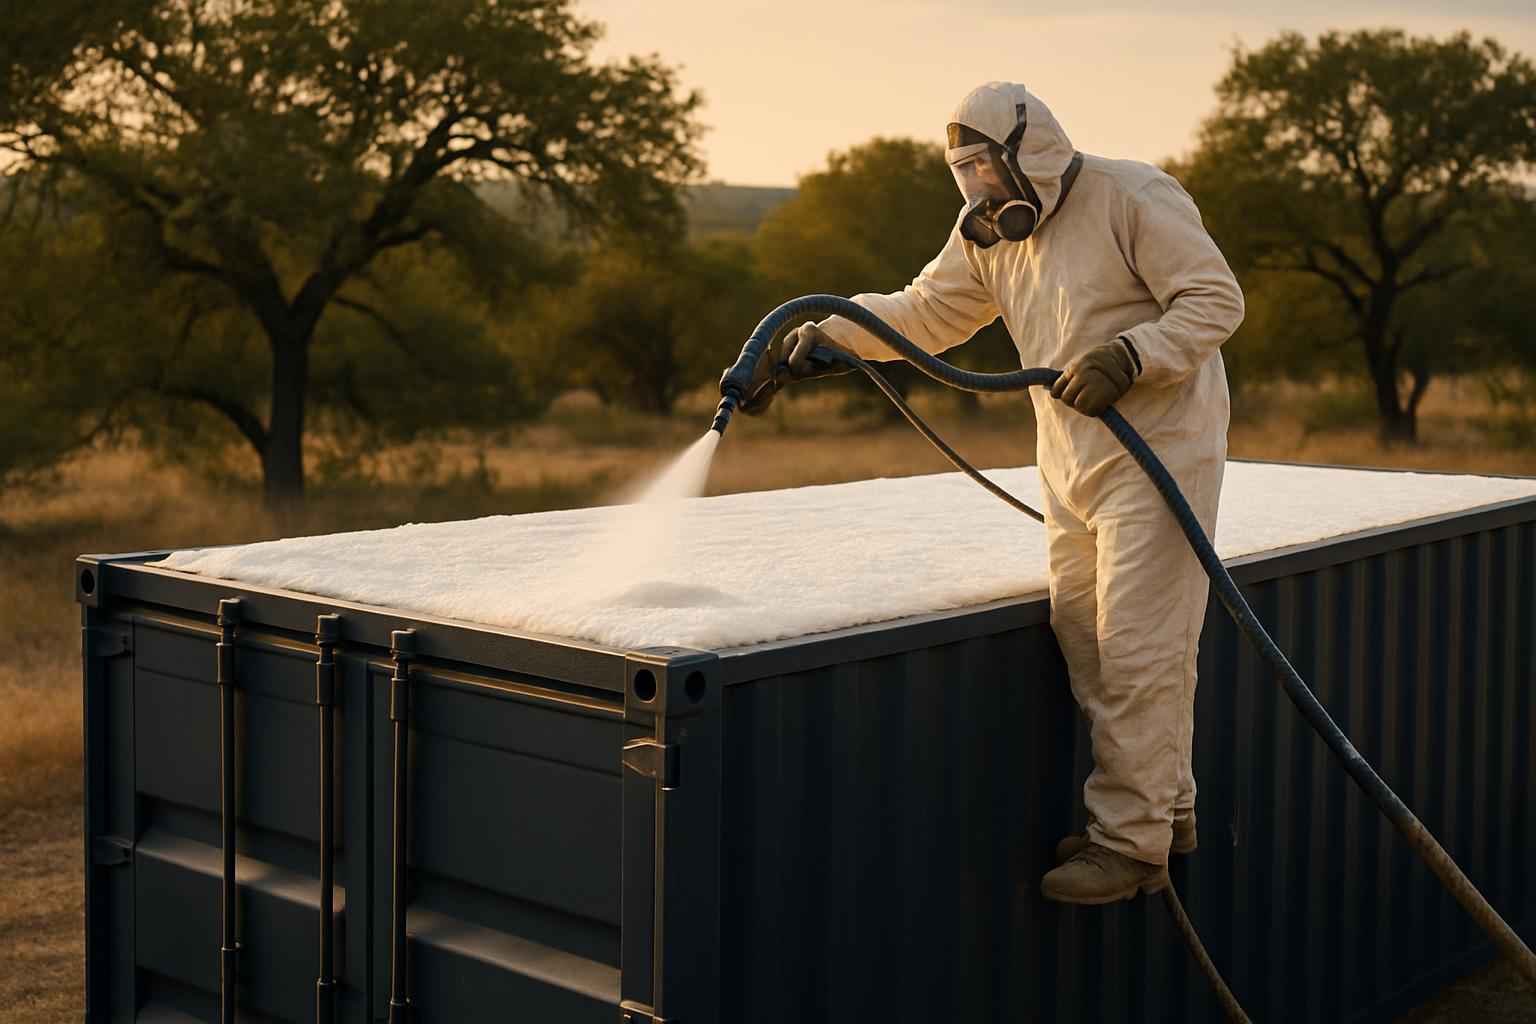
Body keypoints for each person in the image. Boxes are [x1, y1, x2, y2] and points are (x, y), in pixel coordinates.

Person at [741, 81, 1243, 904]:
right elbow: (928, 313)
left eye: (983, 163)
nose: (973, 183)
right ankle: (1166, 807)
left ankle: (1130, 845)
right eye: (960, 168)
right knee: (1086, 639)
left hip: (1160, 451)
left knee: (1139, 648)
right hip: (1069, 456)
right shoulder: (986, 238)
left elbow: (1215, 299)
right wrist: (828, 336)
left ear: (1028, 150)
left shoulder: (1131, 195)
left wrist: (1131, 355)